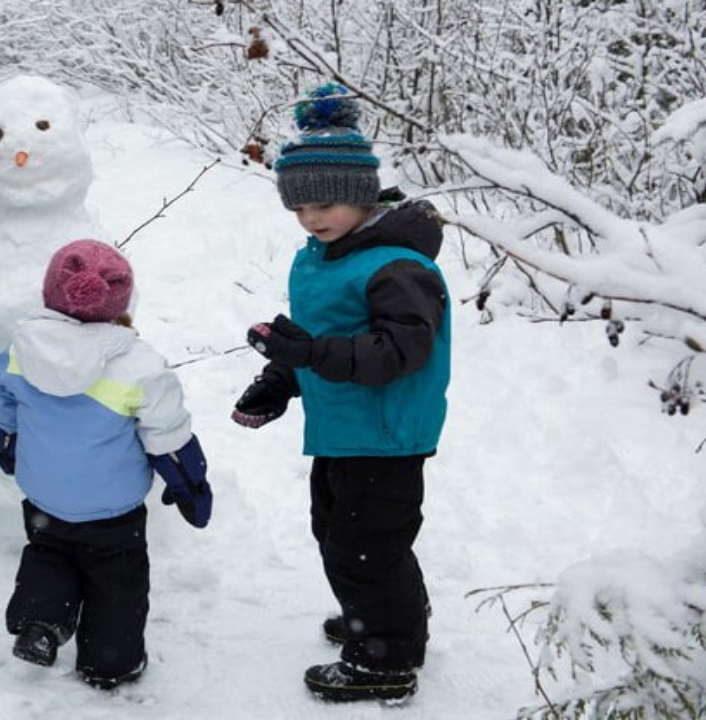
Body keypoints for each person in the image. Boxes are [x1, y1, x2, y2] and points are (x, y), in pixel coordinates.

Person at [233, 83, 449, 703]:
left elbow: (401, 351)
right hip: (342, 427)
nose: (311, 218)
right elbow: (320, 338)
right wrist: (279, 381)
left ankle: (386, 656)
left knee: (364, 547)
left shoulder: (395, 266)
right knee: (338, 533)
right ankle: (385, 618)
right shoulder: (327, 255)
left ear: (360, 194)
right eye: (299, 208)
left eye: (325, 203)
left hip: (383, 432)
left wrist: (307, 355)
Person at [0, 239, 213, 690]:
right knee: (117, 580)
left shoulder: (19, 350)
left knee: (49, 555)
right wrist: (190, 482)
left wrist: (7, 445)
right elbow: (167, 435)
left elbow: (1, 406)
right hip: (113, 508)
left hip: (44, 495)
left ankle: (41, 621)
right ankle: (111, 661)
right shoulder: (139, 365)